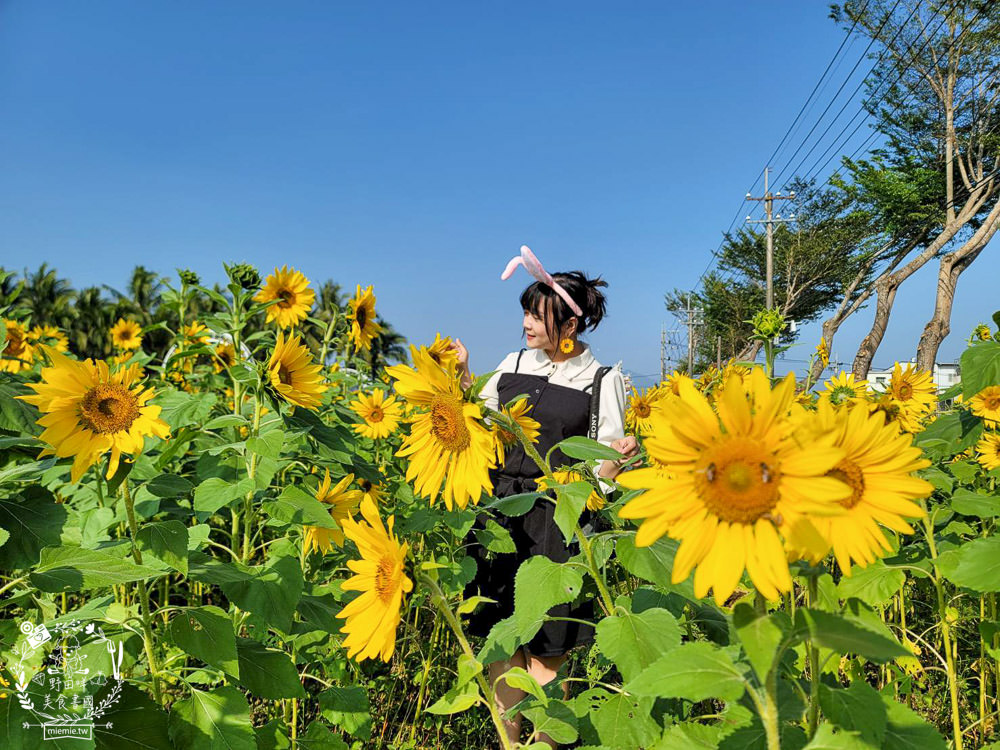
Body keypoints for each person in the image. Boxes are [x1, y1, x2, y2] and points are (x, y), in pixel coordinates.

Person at [450, 250, 638, 748]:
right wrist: (465, 374)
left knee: (546, 651)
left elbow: (603, 463)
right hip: (499, 514)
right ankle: (510, 743)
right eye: (526, 312)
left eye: (537, 315)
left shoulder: (602, 381)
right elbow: (481, 422)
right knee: (500, 641)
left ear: (569, 324)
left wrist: (617, 462)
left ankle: (547, 742)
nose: (526, 323)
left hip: (555, 521)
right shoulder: (512, 364)